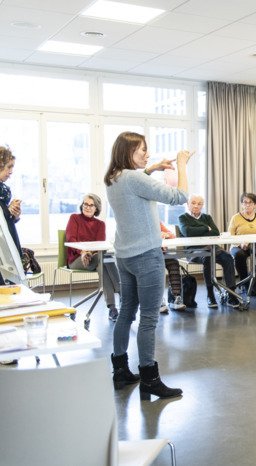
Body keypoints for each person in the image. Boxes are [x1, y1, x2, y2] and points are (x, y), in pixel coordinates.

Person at [105, 131, 194, 400]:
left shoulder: (114, 178)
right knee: (148, 319)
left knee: (127, 311)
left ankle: (120, 369)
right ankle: (150, 379)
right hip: (146, 256)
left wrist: (153, 168)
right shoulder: (133, 178)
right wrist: (181, 164)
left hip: (125, 256)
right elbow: (180, 196)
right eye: (142, 150)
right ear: (127, 152)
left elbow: (136, 184)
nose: (147, 154)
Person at [65, 193, 121, 321]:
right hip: (76, 259)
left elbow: (100, 244)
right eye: (86, 204)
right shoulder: (74, 218)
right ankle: (120, 289)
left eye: (91, 205)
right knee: (104, 258)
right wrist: (83, 252)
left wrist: (89, 252)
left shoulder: (100, 224)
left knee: (103, 263)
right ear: (82, 205)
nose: (88, 207)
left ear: (96, 208)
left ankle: (112, 309)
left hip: (94, 258)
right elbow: (71, 239)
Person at [178, 194, 238, 309]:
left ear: (203, 205)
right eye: (193, 203)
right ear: (188, 204)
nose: (196, 206)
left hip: (213, 248)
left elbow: (215, 232)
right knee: (207, 257)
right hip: (194, 251)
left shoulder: (207, 217)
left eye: (199, 203)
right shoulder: (183, 218)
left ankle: (231, 294)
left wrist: (203, 230)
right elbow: (187, 232)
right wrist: (206, 228)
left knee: (228, 258)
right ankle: (210, 294)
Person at [228, 193, 256, 297]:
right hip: (238, 245)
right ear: (242, 204)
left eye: (250, 202)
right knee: (239, 255)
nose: (247, 205)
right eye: (245, 202)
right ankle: (245, 284)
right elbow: (230, 236)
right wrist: (241, 244)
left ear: (255, 204)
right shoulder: (236, 218)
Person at [0, 146, 22, 255]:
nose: (11, 172)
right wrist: (8, 211)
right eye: (9, 167)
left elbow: (5, 218)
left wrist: (14, 215)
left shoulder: (3, 191)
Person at [159, 222, 185, 312]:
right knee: (157, 265)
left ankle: (175, 297)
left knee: (174, 262)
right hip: (147, 253)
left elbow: (172, 235)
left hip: (161, 252)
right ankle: (158, 300)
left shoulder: (156, 222)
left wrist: (165, 234)